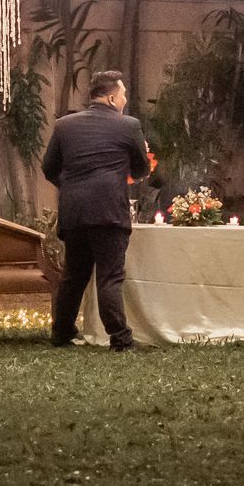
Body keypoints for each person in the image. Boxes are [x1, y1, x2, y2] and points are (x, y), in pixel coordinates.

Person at [41, 69, 152, 350]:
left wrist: (70, 186)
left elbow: (49, 168)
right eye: (123, 95)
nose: (125, 100)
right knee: (109, 276)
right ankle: (120, 338)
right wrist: (133, 158)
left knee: (74, 275)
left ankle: (61, 333)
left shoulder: (64, 125)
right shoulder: (128, 126)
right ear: (112, 98)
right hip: (108, 212)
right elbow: (141, 169)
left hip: (74, 211)